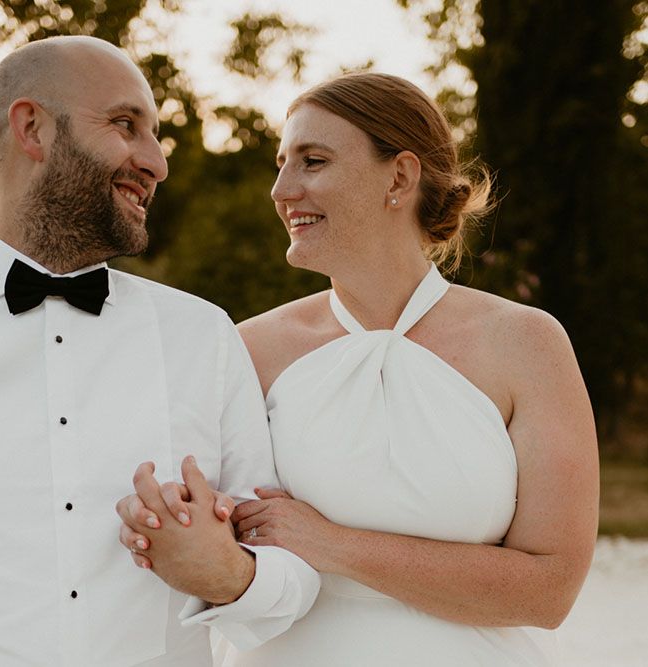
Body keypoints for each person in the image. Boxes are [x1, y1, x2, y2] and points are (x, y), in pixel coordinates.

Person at [118, 73, 599, 666]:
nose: (280, 189)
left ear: (399, 177)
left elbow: (550, 590)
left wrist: (332, 544)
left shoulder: (526, 343)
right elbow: (214, 543)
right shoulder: (248, 349)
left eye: (311, 161)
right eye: (281, 163)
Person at [0, 35, 319, 666]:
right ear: (33, 129)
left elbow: (291, 577)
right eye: (127, 125)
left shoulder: (204, 337)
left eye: (154, 135)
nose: (157, 162)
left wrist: (229, 576)